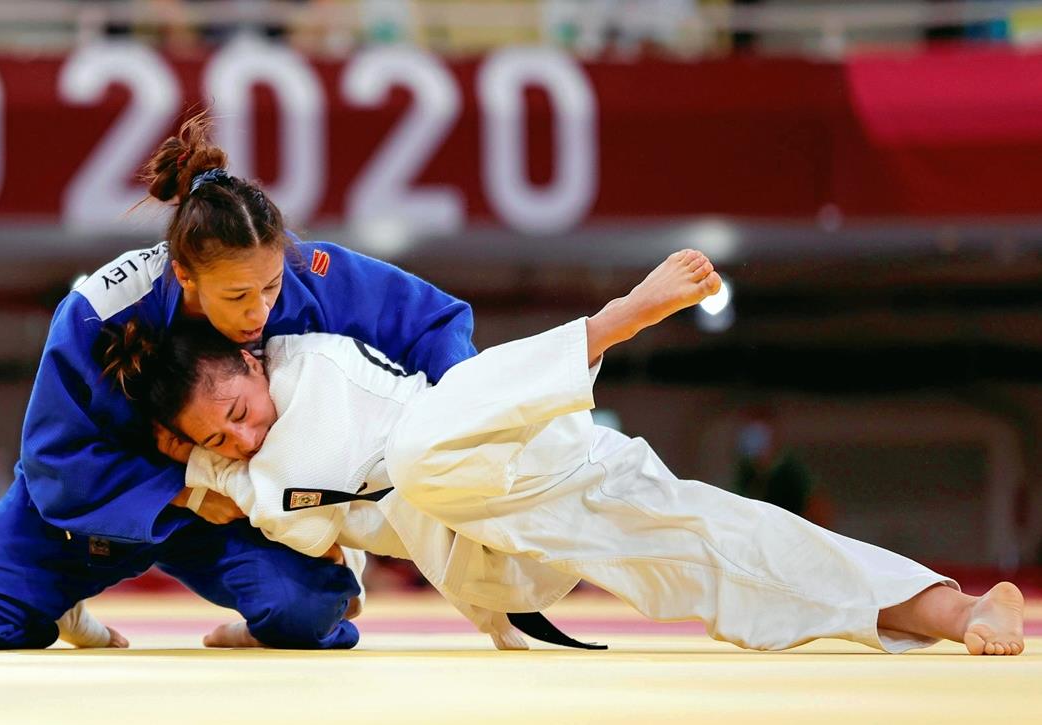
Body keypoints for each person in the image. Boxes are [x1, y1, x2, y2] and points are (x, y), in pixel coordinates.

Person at [109, 249, 1025, 656]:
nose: (241, 431)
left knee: (718, 551)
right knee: (425, 486)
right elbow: (271, 515)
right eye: (216, 435)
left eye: (236, 405)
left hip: (518, 459)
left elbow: (425, 367)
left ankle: (947, 610)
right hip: (487, 571)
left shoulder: (306, 355)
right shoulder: (237, 475)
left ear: (247, 358)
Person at [0, 114, 477, 651]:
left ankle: (281, 608)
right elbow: (54, 460)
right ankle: (60, 604)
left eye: (270, 288)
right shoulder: (99, 311)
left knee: (306, 611)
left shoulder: (304, 273)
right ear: (184, 272)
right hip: (104, 508)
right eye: (236, 296)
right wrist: (188, 491)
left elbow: (432, 319)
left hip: (237, 512)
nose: (259, 310)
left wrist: (462, 414)